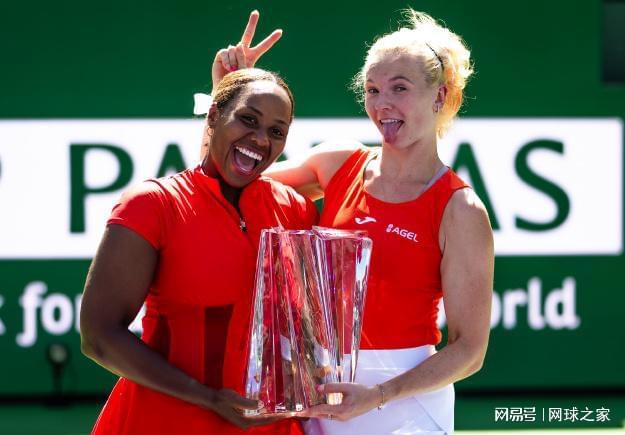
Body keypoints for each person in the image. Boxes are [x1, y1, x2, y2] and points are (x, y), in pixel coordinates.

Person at [213, 9, 494, 434]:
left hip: (407, 404)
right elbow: (225, 187)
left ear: (439, 96)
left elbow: (470, 351)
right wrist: (227, 97)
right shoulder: (339, 162)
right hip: (319, 392)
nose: (382, 104)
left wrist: (377, 395)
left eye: (400, 88)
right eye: (372, 90)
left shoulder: (461, 210)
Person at [80, 16, 318, 434]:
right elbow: (98, 336)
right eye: (248, 119)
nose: (261, 139)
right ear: (212, 116)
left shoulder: (295, 210)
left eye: (276, 131)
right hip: (162, 422)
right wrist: (208, 398)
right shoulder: (151, 204)